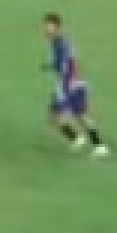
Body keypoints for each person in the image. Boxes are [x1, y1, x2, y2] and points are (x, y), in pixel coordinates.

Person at [43, 14, 109, 159]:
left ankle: (100, 146)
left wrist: (74, 82)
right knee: (53, 117)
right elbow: (62, 63)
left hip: (70, 85)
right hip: (63, 85)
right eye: (45, 26)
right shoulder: (55, 42)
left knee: (81, 116)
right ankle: (77, 139)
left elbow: (73, 62)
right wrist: (51, 66)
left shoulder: (63, 43)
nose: (46, 29)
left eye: (49, 26)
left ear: (57, 27)